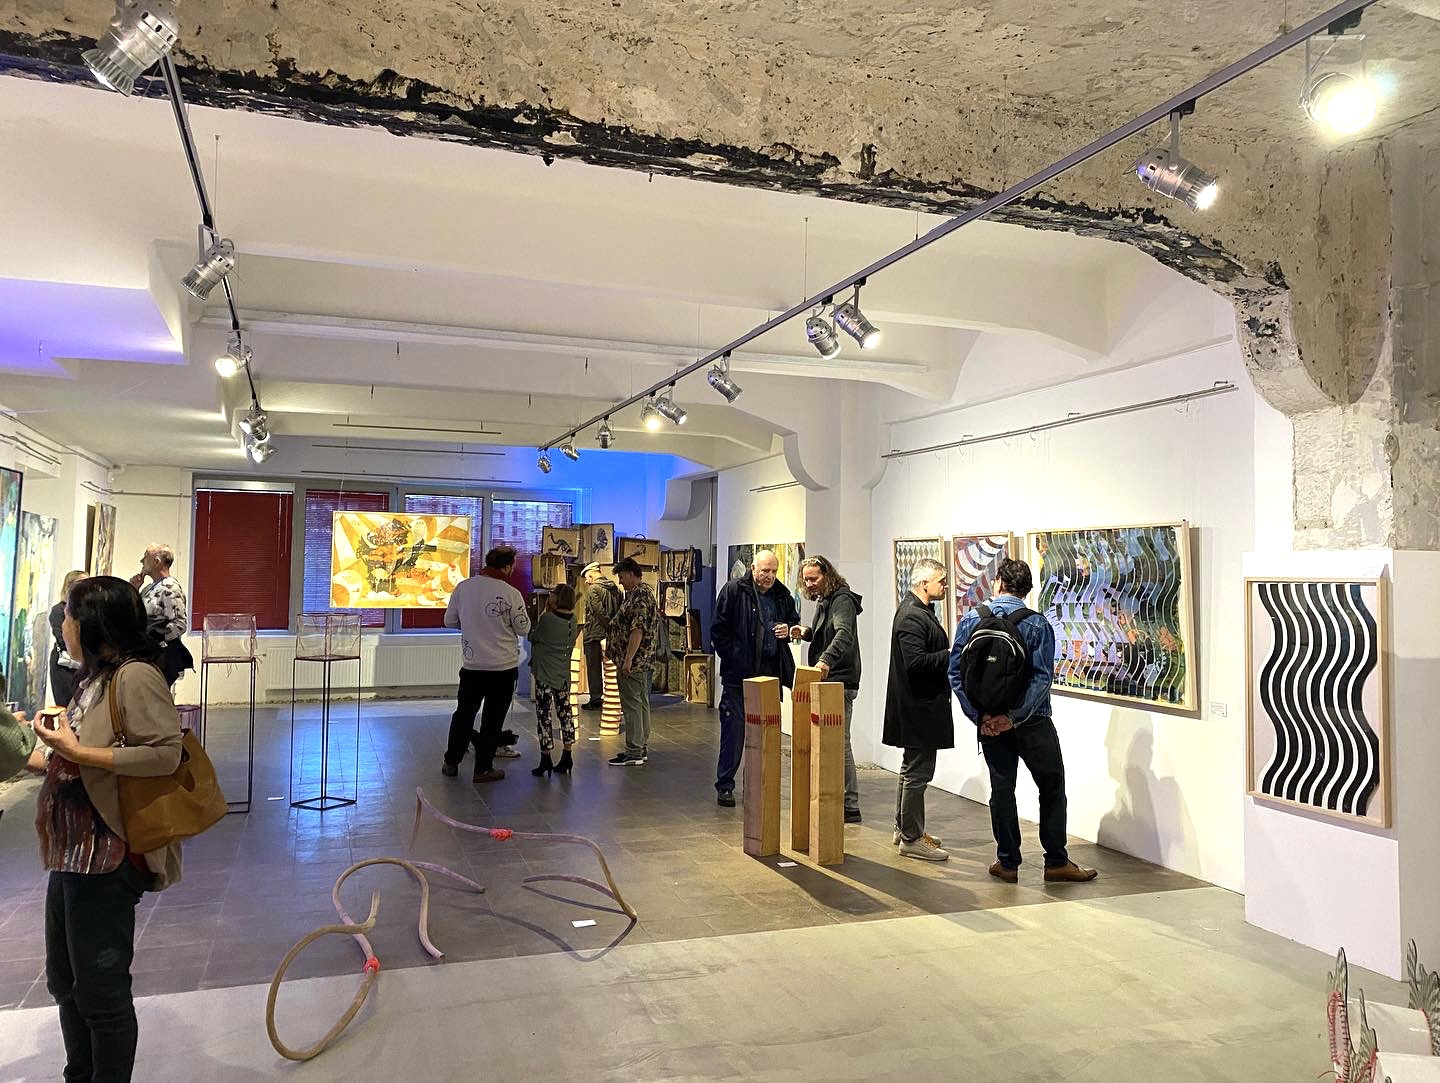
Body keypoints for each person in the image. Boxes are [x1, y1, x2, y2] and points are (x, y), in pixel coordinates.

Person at [24, 575, 184, 1081]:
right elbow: (67, 757)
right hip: (71, 853)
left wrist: (76, 752)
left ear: (92, 624)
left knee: (101, 991)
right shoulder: (93, 678)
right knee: (65, 981)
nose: (64, 626)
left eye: (70, 617)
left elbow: (166, 755)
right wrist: (28, 749)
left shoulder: (135, 677)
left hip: (106, 854)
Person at [949, 557, 1097, 884]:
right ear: (1027, 589)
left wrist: (981, 716)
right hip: (1034, 722)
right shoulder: (1038, 624)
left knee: (1002, 790)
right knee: (1052, 786)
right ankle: (1056, 862)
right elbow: (1042, 679)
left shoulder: (972, 619)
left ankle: (1007, 863)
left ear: (998, 582)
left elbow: (955, 673)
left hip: (990, 724)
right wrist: (1014, 718)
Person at [709, 550, 800, 807]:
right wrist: (734, 658)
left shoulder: (782, 595)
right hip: (738, 678)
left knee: (765, 734)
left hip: (769, 676)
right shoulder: (734, 591)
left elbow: (793, 622)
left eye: (774, 571)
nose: (770, 576)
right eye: (765, 571)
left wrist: (788, 629)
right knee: (734, 732)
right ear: (753, 568)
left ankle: (758, 784)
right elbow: (718, 630)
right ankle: (725, 785)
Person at [442, 546, 531, 783]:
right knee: (492, 720)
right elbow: (523, 628)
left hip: (472, 667)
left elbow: (449, 620)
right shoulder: (511, 593)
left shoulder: (464, 588)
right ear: (507, 566)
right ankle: (482, 769)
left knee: (464, 714)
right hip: (502, 668)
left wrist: (473, 625)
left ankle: (451, 761)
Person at [883, 557, 953, 861]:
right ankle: (911, 839)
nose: (946, 585)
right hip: (918, 708)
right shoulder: (912, 616)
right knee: (918, 772)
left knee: (911, 768)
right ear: (924, 584)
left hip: (918, 706)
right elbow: (916, 663)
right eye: (941, 581)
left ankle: (905, 829)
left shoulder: (919, 611)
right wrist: (951, 654)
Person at [790, 555, 864, 823]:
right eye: (806, 579)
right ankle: (834, 796)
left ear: (827, 575)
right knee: (830, 741)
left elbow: (844, 634)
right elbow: (828, 632)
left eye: (814, 578)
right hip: (829, 679)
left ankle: (850, 804)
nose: (810, 583)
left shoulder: (842, 600)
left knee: (840, 742)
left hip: (839, 681)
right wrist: (807, 633)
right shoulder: (825, 599)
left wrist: (825, 660)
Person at [606, 557, 659, 767]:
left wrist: (628, 659)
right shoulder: (639, 594)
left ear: (630, 573)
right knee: (640, 703)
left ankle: (634, 750)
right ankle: (639, 747)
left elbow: (637, 629)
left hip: (635, 663)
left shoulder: (639, 596)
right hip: (639, 661)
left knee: (632, 706)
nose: (620, 582)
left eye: (621, 577)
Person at [528, 583, 577, 777]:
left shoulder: (547, 619)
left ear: (558, 598)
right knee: (565, 714)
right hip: (563, 674)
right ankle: (567, 754)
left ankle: (546, 757)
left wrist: (543, 614)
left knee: (544, 715)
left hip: (545, 674)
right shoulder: (573, 620)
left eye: (553, 593)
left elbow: (534, 636)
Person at [128, 545, 192, 688]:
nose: (141, 561)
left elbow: (180, 624)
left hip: (159, 656)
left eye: (145, 557)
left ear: (156, 562)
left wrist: (157, 641)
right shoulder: (148, 588)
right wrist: (134, 589)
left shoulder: (170, 588)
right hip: (145, 653)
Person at [578, 562, 620, 710]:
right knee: (611, 668)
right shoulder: (615, 588)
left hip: (594, 634)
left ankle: (596, 699)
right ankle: (613, 698)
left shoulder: (593, 589)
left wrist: (607, 625)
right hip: (612, 634)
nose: (586, 581)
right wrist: (613, 628)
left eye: (586, 578)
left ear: (591, 575)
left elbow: (598, 612)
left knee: (594, 668)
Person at [48, 570, 86, 709]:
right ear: (70, 586)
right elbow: (62, 639)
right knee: (67, 706)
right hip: (65, 665)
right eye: (82, 583)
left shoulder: (85, 610)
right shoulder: (59, 610)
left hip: (82, 664)